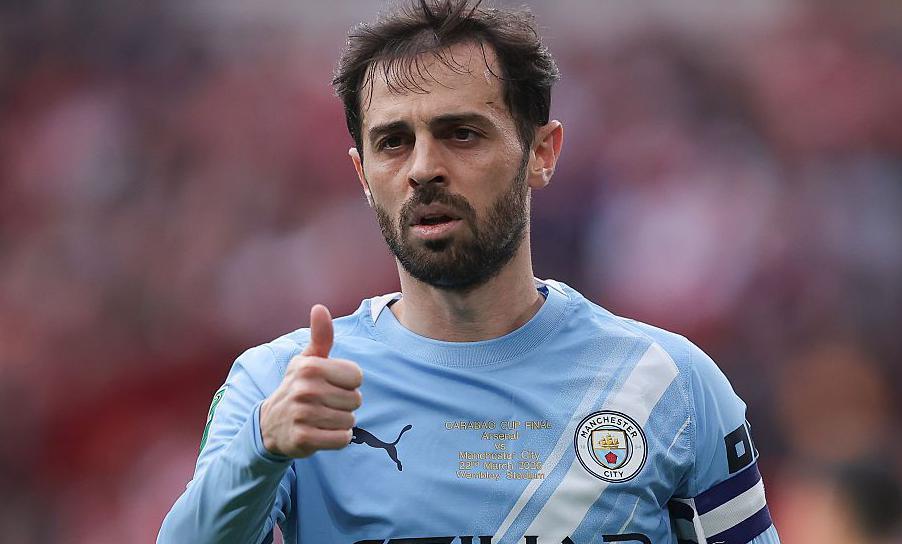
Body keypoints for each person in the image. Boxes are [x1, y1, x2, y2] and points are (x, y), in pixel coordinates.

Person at [158, 1, 781, 542]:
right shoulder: (281, 385)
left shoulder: (669, 385)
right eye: (393, 142)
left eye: (461, 133)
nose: (423, 167)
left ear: (541, 152)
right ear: (361, 174)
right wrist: (262, 448)